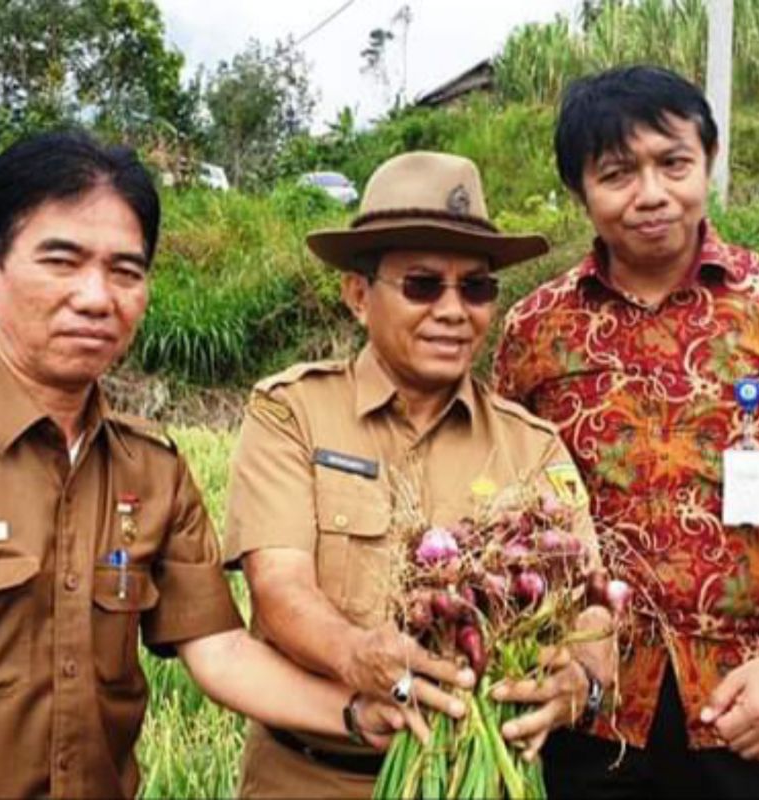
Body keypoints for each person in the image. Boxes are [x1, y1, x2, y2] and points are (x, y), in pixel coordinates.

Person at [0, 130, 417, 799]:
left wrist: (355, 715)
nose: (97, 298)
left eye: (126, 271)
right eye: (61, 262)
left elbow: (219, 650)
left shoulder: (151, 470)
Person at [493, 65, 759, 798]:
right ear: (581, 190)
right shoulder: (536, 331)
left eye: (673, 163)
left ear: (707, 159)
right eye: (617, 173)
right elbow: (510, 513)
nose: (650, 194)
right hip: (593, 709)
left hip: (751, 704)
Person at [224, 151, 617, 799]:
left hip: (484, 778)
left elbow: (592, 618)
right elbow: (279, 587)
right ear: (358, 295)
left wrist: (584, 684)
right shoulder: (293, 413)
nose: (453, 310)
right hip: (314, 779)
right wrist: (358, 656)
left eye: (477, 287)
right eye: (422, 284)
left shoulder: (531, 446)